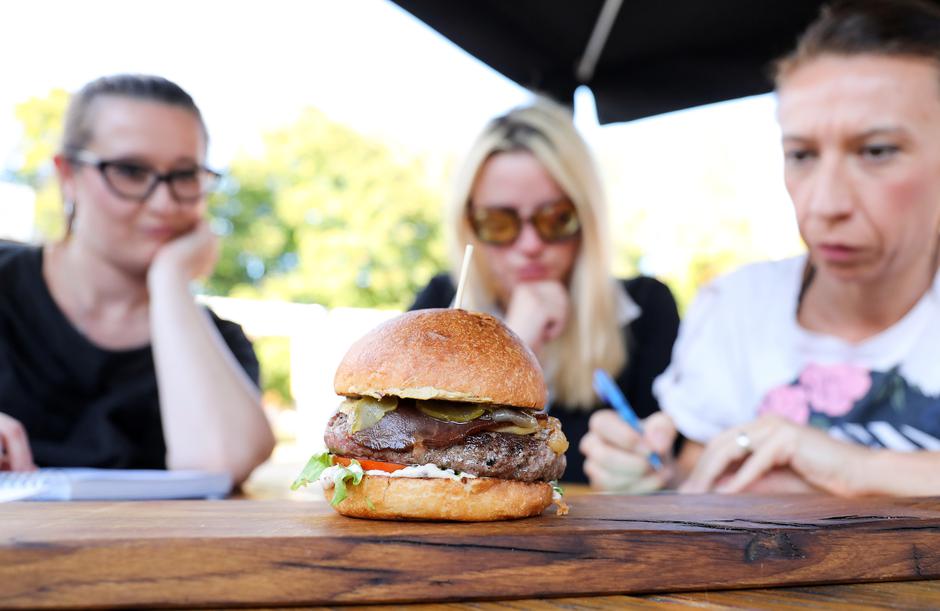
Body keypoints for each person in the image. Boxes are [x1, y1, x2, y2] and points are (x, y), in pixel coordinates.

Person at [581, 0, 940, 496]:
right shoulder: (738, 306)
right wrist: (651, 469)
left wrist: (850, 468)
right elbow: (692, 458)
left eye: (876, 150)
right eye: (802, 155)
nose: (826, 202)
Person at [0, 74, 275, 485]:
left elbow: (220, 465)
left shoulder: (216, 343)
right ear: (68, 175)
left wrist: (169, 278)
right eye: (130, 170)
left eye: (184, 176)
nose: (163, 203)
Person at [410, 99, 680, 483]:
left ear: (586, 218)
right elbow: (406, 440)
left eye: (556, 219)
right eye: (500, 223)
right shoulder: (439, 304)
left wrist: (655, 470)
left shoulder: (646, 308)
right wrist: (514, 343)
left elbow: (675, 459)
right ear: (469, 224)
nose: (531, 244)